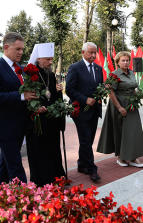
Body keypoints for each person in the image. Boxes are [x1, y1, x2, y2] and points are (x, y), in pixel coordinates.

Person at [0, 32, 38, 185]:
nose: (21, 52)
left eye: (22, 49)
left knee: (5, 165)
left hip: (19, 126)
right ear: (6, 48)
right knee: (16, 167)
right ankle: (26, 199)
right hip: (4, 127)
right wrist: (22, 96)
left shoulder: (21, 69)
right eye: (17, 49)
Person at [97, 51, 143, 167]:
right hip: (119, 104)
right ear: (117, 62)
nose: (126, 63)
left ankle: (134, 157)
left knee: (133, 131)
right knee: (120, 131)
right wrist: (119, 107)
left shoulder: (131, 73)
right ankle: (121, 158)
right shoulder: (114, 74)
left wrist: (137, 98)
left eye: (127, 60)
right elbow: (111, 92)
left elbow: (133, 88)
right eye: (123, 61)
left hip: (131, 105)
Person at [25, 43, 66, 187]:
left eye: (51, 59)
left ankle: (56, 177)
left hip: (51, 121)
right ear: (39, 59)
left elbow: (51, 96)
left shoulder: (51, 74)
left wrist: (58, 91)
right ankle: (42, 181)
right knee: (40, 154)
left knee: (53, 150)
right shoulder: (31, 75)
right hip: (38, 122)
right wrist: (36, 109)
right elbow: (27, 98)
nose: (50, 62)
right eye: (47, 59)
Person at [65, 42, 103, 181]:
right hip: (79, 110)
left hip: (94, 110)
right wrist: (84, 99)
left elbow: (99, 87)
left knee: (88, 140)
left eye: (95, 52)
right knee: (86, 139)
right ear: (83, 52)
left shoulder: (99, 69)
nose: (93, 55)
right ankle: (92, 170)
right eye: (90, 52)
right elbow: (69, 89)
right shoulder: (75, 68)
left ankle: (82, 165)